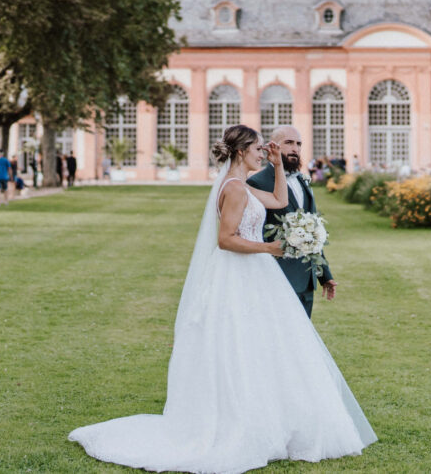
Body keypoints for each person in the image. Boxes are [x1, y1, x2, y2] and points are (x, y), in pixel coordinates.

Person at [68, 124, 376, 470]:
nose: (264, 152)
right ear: (242, 151)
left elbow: (279, 201)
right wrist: (269, 248)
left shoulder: (243, 185)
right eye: (259, 148)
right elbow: (226, 239)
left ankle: (269, 416)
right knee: (239, 345)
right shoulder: (233, 188)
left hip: (256, 275)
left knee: (268, 345)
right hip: (237, 275)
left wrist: (276, 166)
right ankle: (240, 420)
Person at [248, 125, 338, 319]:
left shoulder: (303, 181)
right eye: (288, 143)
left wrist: (325, 275)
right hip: (277, 278)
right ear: (273, 146)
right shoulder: (258, 183)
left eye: (298, 144)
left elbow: (312, 232)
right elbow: (254, 232)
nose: (295, 148)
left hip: (306, 280)